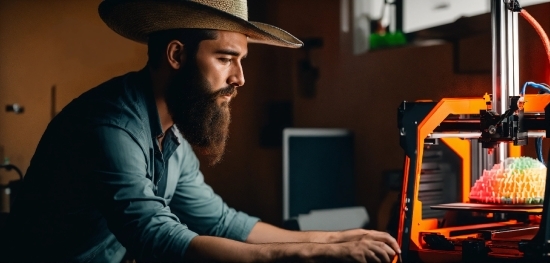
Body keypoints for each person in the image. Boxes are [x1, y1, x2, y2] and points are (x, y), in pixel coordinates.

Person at [0, 0, 401, 262]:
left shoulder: (173, 134)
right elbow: (156, 238)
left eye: (241, 61)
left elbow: (222, 222)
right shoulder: (111, 126)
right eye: (226, 58)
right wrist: (311, 256)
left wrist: (336, 240)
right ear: (177, 55)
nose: (240, 78)